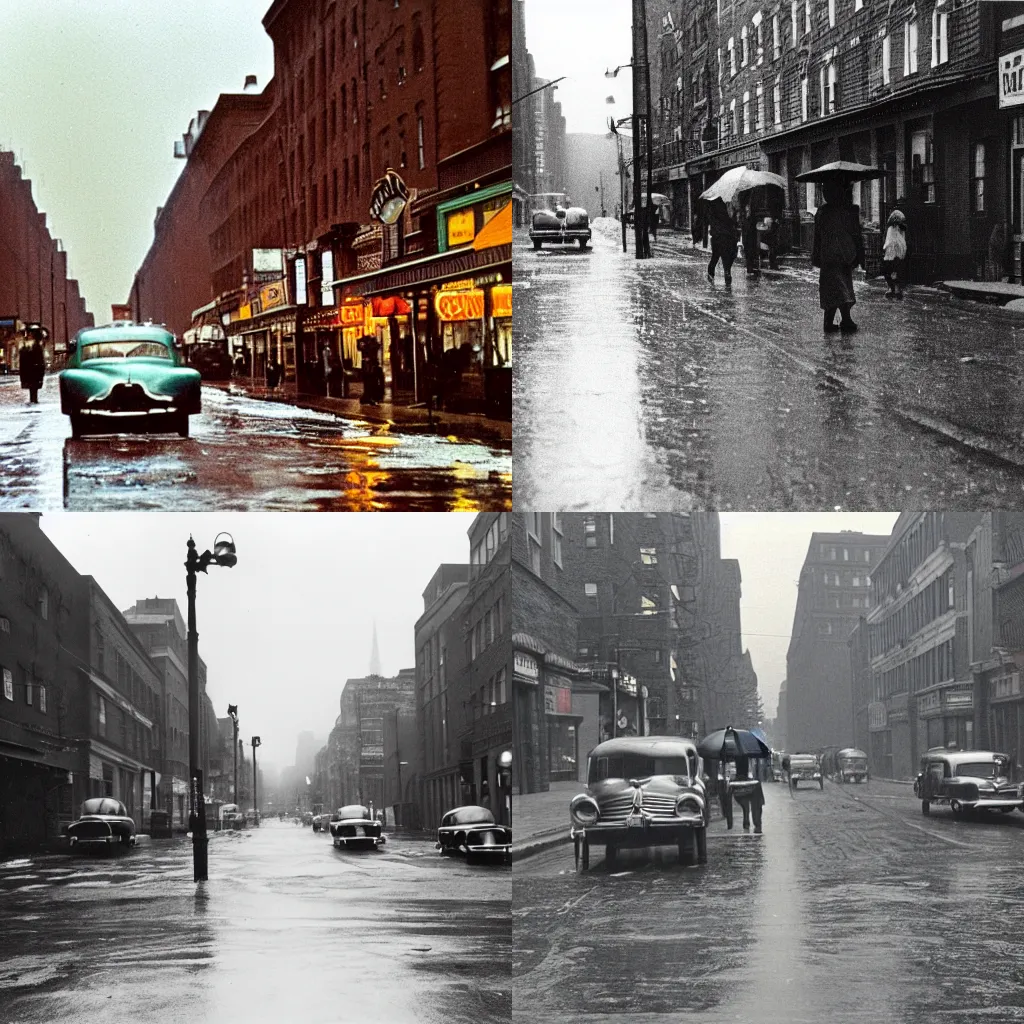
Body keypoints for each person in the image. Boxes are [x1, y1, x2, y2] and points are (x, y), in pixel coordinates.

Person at [812, 178, 865, 333]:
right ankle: (842, 321)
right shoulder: (846, 211)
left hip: (831, 256)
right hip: (840, 256)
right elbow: (856, 236)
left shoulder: (823, 211)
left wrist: (816, 256)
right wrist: (859, 256)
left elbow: (817, 237)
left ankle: (834, 321)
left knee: (835, 288)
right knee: (841, 288)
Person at [706, 197, 738, 287]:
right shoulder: (721, 206)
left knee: (716, 256)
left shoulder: (723, 205)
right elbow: (729, 220)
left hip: (720, 235)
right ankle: (726, 275)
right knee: (723, 256)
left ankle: (712, 275)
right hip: (723, 235)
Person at [881, 208, 908, 299]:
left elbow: (889, 240)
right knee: (895, 269)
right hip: (894, 251)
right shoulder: (897, 228)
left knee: (892, 269)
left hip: (893, 252)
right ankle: (894, 289)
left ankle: (893, 288)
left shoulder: (893, 228)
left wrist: (885, 247)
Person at [19, 329, 45, 404]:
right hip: (29, 369)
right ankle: (33, 399)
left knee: (34, 385)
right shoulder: (26, 345)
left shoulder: (36, 345)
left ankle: (34, 399)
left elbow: (39, 358)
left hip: (34, 368)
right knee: (32, 385)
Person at [741, 199, 760, 277]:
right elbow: (744, 228)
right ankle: (750, 269)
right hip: (747, 238)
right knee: (748, 254)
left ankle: (751, 268)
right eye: (747, 208)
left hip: (751, 238)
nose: (748, 210)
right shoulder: (745, 218)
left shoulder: (752, 218)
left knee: (751, 253)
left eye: (749, 209)